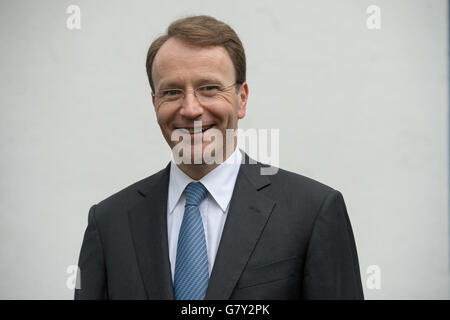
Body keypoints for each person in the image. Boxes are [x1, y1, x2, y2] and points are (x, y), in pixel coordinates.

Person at [74, 15, 364, 300]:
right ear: (155, 103)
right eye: (172, 92)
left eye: (209, 88)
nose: (190, 109)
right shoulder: (109, 223)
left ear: (242, 99)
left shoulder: (313, 213)